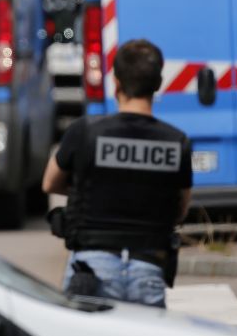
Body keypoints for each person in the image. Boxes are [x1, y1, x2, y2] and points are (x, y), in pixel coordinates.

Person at [41, 38, 192, 308]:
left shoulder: (84, 132)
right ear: (157, 85)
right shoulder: (176, 142)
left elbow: (50, 182)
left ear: (117, 83)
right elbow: (180, 209)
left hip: (92, 266)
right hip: (149, 265)